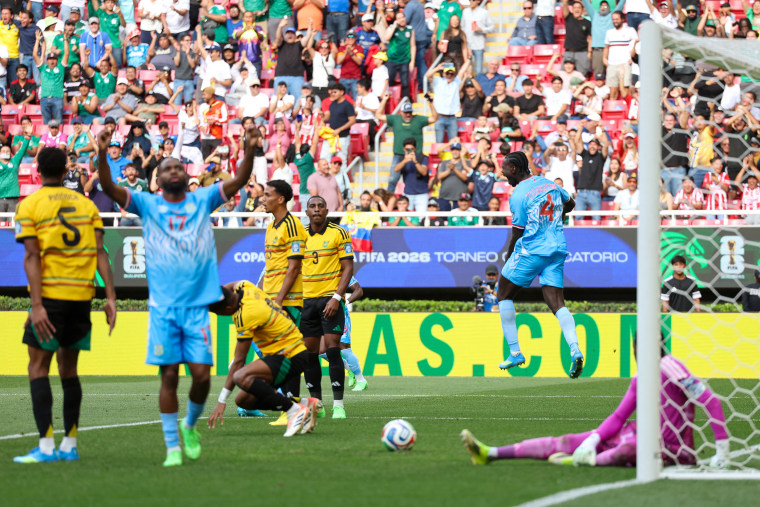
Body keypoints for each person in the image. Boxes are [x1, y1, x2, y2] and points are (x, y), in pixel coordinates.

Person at [92, 125, 259, 467]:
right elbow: (108, 187)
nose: (173, 171)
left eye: (178, 167)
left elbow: (240, 180)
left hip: (198, 308)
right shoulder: (146, 203)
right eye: (167, 168)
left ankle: (190, 426)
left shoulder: (204, 199)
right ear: (157, 178)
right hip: (163, 310)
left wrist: (249, 148)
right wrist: (101, 152)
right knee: (169, 376)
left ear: (186, 175)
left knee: (200, 375)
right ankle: (171, 448)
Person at [461, 337, 729, 469]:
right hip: (638, 436)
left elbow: (712, 402)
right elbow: (618, 417)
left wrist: (722, 451)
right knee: (568, 440)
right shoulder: (640, 378)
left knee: (629, 448)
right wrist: (593, 438)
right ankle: (491, 453)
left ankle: (581, 461)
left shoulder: (671, 366)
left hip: (674, 451)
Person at [12, 146, 116, 464]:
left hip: (52, 298)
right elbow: (101, 253)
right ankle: (70, 445)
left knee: (37, 367)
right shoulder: (86, 206)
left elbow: (32, 256)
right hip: (81, 299)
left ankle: (45, 447)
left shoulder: (29, 205)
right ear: (66, 171)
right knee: (69, 370)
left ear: (38, 168)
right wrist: (110, 297)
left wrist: (37, 305)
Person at [496, 151, 583, 378]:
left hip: (533, 250)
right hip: (557, 249)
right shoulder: (548, 183)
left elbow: (518, 232)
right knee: (556, 302)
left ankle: (515, 351)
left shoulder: (518, 195)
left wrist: (509, 253)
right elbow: (571, 203)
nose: (503, 173)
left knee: (503, 294)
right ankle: (575, 349)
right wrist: (554, 215)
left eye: (504, 169)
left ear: (514, 169)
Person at [205, 281, 321, 436]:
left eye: (219, 314)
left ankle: (294, 410)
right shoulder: (246, 288)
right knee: (244, 401)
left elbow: (239, 360)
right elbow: (233, 285)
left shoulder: (245, 314)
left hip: (290, 354)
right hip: (285, 352)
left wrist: (221, 401)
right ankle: (305, 404)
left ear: (227, 308)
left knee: (240, 375)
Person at [300, 195, 355, 419]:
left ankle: (339, 405)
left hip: (329, 301)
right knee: (310, 355)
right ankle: (317, 405)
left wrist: (336, 297)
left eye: (320, 206)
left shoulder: (339, 232)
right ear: (306, 211)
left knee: (333, 351)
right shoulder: (300, 235)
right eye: (312, 206)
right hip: (306, 303)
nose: (316, 210)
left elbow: (348, 267)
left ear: (327, 210)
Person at [376, 99, 438, 191]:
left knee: (415, 180)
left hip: (415, 155)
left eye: (410, 112)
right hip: (399, 154)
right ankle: (388, 201)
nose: (408, 115)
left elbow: (434, 118)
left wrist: (431, 103)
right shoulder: (395, 119)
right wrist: (384, 100)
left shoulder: (418, 119)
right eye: (406, 112)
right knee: (392, 180)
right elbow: (378, 115)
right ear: (401, 112)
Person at [322, 276, 368, 391]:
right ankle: (349, 368)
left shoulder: (341, 270)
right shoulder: (316, 269)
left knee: (343, 346)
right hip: (320, 313)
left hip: (338, 313)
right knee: (320, 350)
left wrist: (345, 302)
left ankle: (361, 380)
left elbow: (358, 290)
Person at [427, 60, 471, 143]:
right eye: (447, 73)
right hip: (439, 117)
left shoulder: (456, 82)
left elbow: (462, 70)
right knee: (439, 142)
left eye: (452, 74)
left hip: (452, 117)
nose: (449, 76)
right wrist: (437, 68)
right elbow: (427, 75)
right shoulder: (438, 81)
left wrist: (468, 58)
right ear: (443, 74)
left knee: (454, 142)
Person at [383, 11, 416, 100]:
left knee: (405, 82)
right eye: (399, 18)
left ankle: (406, 101)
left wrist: (412, 61)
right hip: (392, 59)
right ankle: (391, 101)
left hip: (404, 60)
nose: (402, 20)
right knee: (390, 81)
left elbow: (413, 46)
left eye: (403, 17)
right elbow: (386, 38)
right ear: (396, 20)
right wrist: (394, 26)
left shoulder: (410, 30)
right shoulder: (391, 28)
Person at [394, 137, 429, 211]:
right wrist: (405, 161)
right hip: (408, 193)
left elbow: (424, 172)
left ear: (415, 149)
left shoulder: (422, 157)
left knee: (422, 217)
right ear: (404, 149)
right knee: (407, 217)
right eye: (407, 149)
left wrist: (415, 161)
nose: (409, 151)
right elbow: (396, 169)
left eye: (411, 149)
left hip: (422, 193)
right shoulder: (402, 159)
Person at [0, 129, 31, 212]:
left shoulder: (15, 161)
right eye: (3, 151)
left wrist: (28, 136)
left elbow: (22, 149)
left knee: (13, 223)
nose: (5, 152)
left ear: (11, 153)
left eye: (8, 151)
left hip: (13, 199)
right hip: (0, 198)